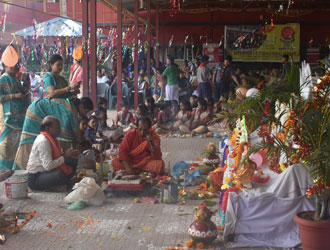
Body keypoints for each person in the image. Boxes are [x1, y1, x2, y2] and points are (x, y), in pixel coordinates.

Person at [14, 97, 94, 170]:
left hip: (37, 110)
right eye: (86, 111)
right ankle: (23, 173)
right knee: (30, 144)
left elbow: (74, 135)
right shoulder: (70, 112)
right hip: (35, 114)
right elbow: (68, 136)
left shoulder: (71, 108)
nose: (85, 114)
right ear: (81, 106)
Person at [27, 116, 80, 191]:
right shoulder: (43, 141)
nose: (60, 130)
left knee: (73, 162)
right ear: (47, 129)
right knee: (59, 174)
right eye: (57, 128)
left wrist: (69, 155)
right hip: (35, 178)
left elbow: (56, 159)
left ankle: (63, 184)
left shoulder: (52, 139)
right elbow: (48, 166)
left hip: (45, 173)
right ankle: (65, 184)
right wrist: (64, 157)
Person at [0, 45, 30, 169]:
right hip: (9, 119)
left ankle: (15, 170)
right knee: (6, 145)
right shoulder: (3, 79)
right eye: (10, 65)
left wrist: (25, 93)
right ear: (5, 66)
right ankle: (3, 170)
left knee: (17, 145)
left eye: (14, 65)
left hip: (20, 119)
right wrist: (14, 96)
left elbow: (21, 94)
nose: (13, 67)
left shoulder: (17, 80)